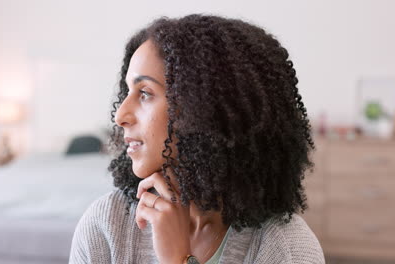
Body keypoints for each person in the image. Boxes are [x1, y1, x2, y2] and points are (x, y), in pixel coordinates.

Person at [69, 13, 324, 264]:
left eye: (145, 93)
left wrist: (178, 259)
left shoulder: (287, 248)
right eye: (128, 91)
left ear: (205, 110)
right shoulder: (107, 225)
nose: (120, 115)